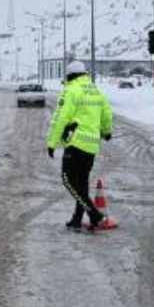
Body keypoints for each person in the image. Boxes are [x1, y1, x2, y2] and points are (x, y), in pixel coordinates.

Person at [45, 60, 113, 231]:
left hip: (76, 143)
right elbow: (106, 112)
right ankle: (77, 219)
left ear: (70, 75)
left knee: (68, 181)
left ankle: (94, 215)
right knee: (81, 184)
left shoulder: (70, 90)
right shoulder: (95, 90)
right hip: (91, 146)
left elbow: (61, 118)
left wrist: (52, 143)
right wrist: (106, 131)